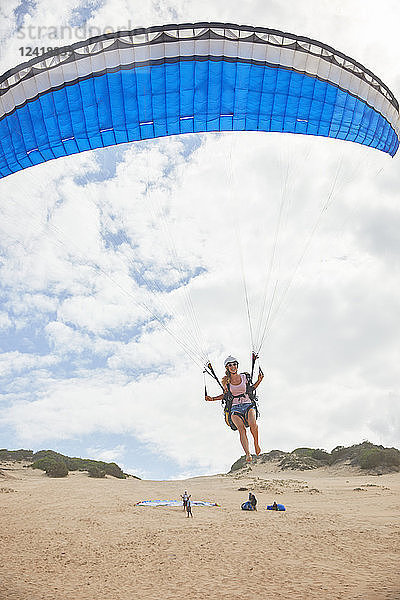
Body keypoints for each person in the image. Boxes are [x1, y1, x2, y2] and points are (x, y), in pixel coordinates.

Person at [206, 356, 264, 462]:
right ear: (227, 368)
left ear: (237, 366)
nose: (232, 367)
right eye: (230, 365)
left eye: (234, 364)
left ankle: (256, 443)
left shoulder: (245, 377)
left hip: (248, 404)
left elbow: (251, 388)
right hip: (235, 408)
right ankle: (248, 454)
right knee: (241, 429)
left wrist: (259, 380)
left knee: (253, 424)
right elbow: (225, 395)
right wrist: (212, 399)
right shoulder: (226, 382)